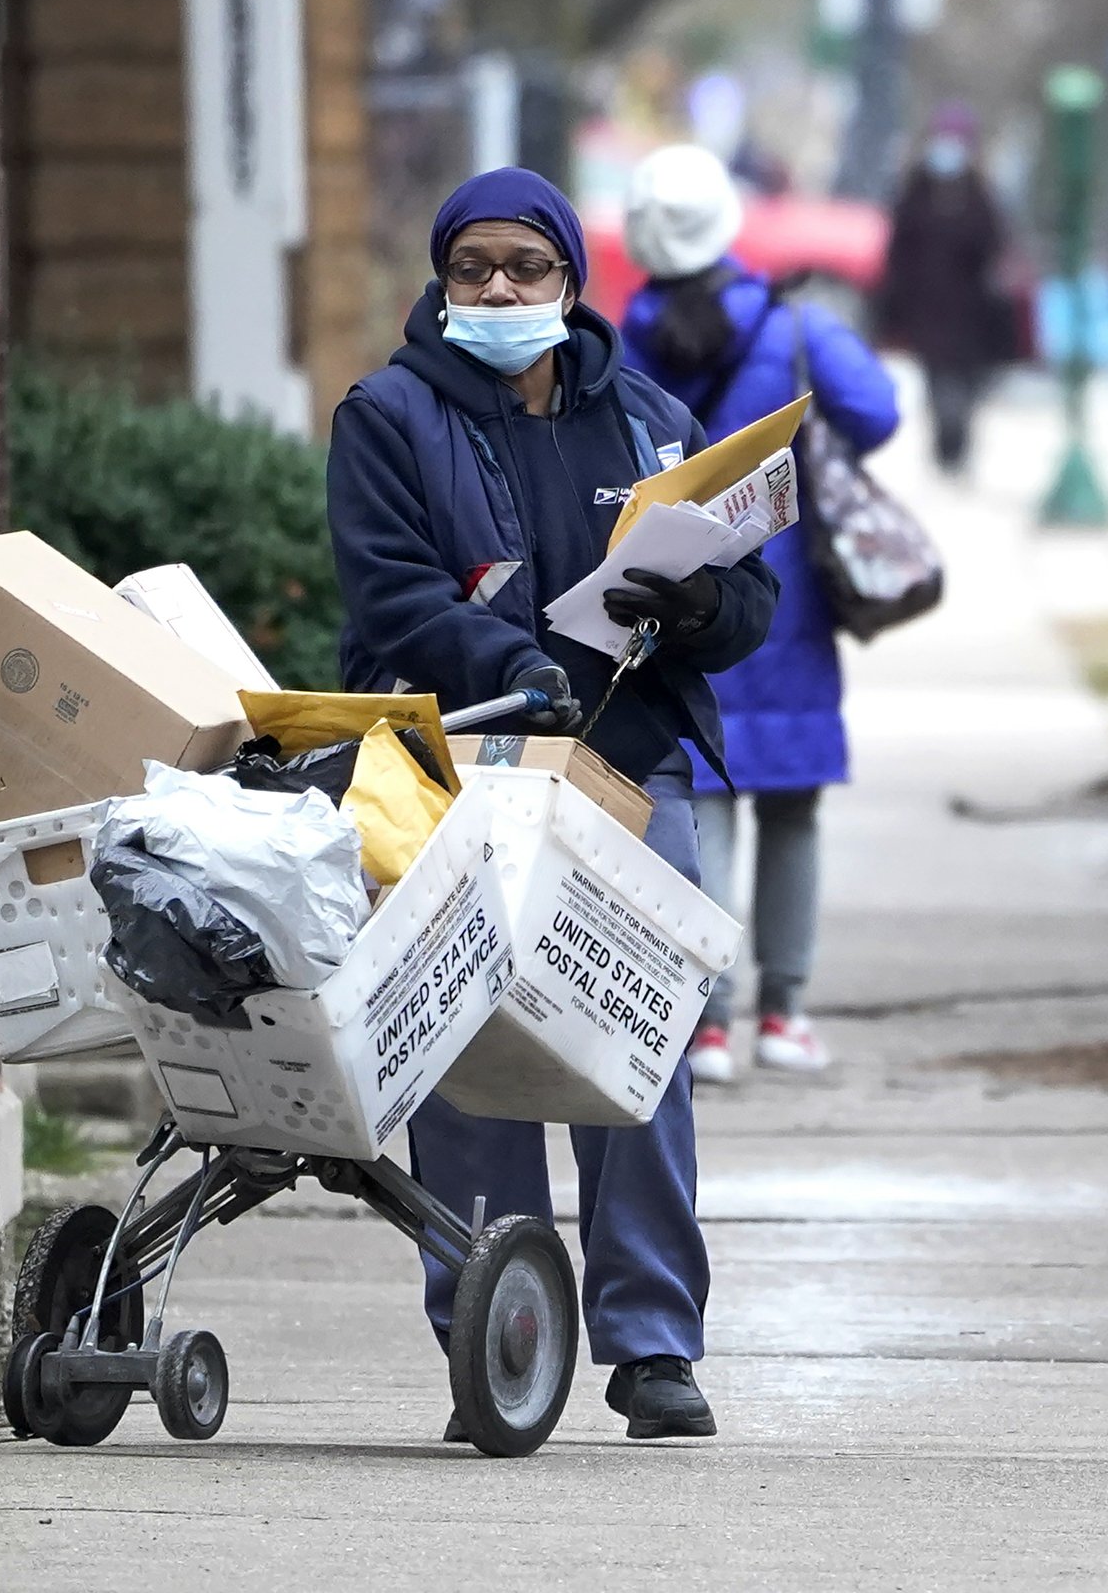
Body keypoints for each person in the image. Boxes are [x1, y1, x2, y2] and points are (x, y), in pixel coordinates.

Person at [325, 166, 780, 1442]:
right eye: (474, 267)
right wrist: (507, 662)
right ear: (443, 280)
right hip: (460, 763)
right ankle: (495, 1332)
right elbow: (391, 593)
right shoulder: (388, 414)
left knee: (636, 1043)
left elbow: (747, 597)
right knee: (471, 1055)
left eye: (526, 266)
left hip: (630, 766)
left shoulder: (649, 420)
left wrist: (702, 607)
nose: (500, 289)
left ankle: (652, 1344)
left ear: (572, 277)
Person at [618, 145, 900, 1083]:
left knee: (702, 804)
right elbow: (879, 414)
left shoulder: (620, 342)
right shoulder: (797, 331)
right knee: (793, 811)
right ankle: (785, 1013)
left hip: (678, 604)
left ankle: (705, 1026)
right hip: (790, 609)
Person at [877, 102, 1009, 475]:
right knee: (937, 381)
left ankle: (958, 445)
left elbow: (993, 247)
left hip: (969, 314)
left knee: (964, 384)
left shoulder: (980, 195)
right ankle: (944, 448)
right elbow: (898, 250)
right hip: (926, 310)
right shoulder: (915, 192)